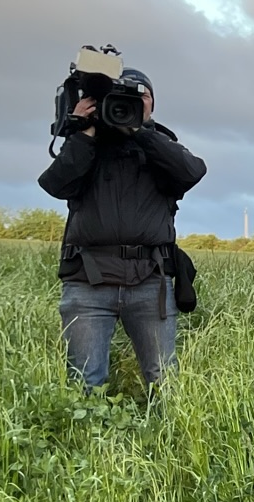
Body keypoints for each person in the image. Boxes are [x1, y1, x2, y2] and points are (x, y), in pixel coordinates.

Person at [38, 65, 206, 390]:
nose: (128, 103)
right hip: (88, 278)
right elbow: (56, 185)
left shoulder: (160, 146)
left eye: (141, 95)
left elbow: (192, 171)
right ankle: (88, 425)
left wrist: (140, 131)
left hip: (149, 279)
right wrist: (82, 131)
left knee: (164, 380)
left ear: (152, 104)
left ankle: (167, 425)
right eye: (118, 98)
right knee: (84, 382)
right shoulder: (85, 145)